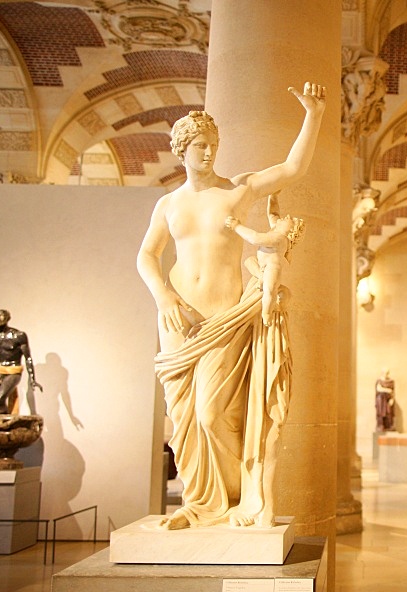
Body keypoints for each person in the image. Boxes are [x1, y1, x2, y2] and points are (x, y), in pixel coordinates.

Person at [136, 82, 326, 530]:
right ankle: (200, 504)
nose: (208, 152)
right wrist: (163, 294)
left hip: (225, 317)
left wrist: (313, 114)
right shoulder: (168, 204)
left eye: (213, 145)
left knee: (211, 412)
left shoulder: (237, 191)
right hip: (180, 320)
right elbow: (146, 255)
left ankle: (238, 496)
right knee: (184, 420)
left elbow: (293, 168)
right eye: (200, 145)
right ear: (182, 150)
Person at [227, 192, 304, 327]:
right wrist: (273, 195)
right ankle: (261, 277)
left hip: (271, 268)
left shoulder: (279, 238)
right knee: (249, 261)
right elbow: (273, 213)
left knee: (270, 290)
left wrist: (236, 226)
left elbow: (255, 238)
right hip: (263, 266)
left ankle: (266, 313)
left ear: (290, 231)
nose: (286, 216)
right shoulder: (276, 230)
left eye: (289, 219)